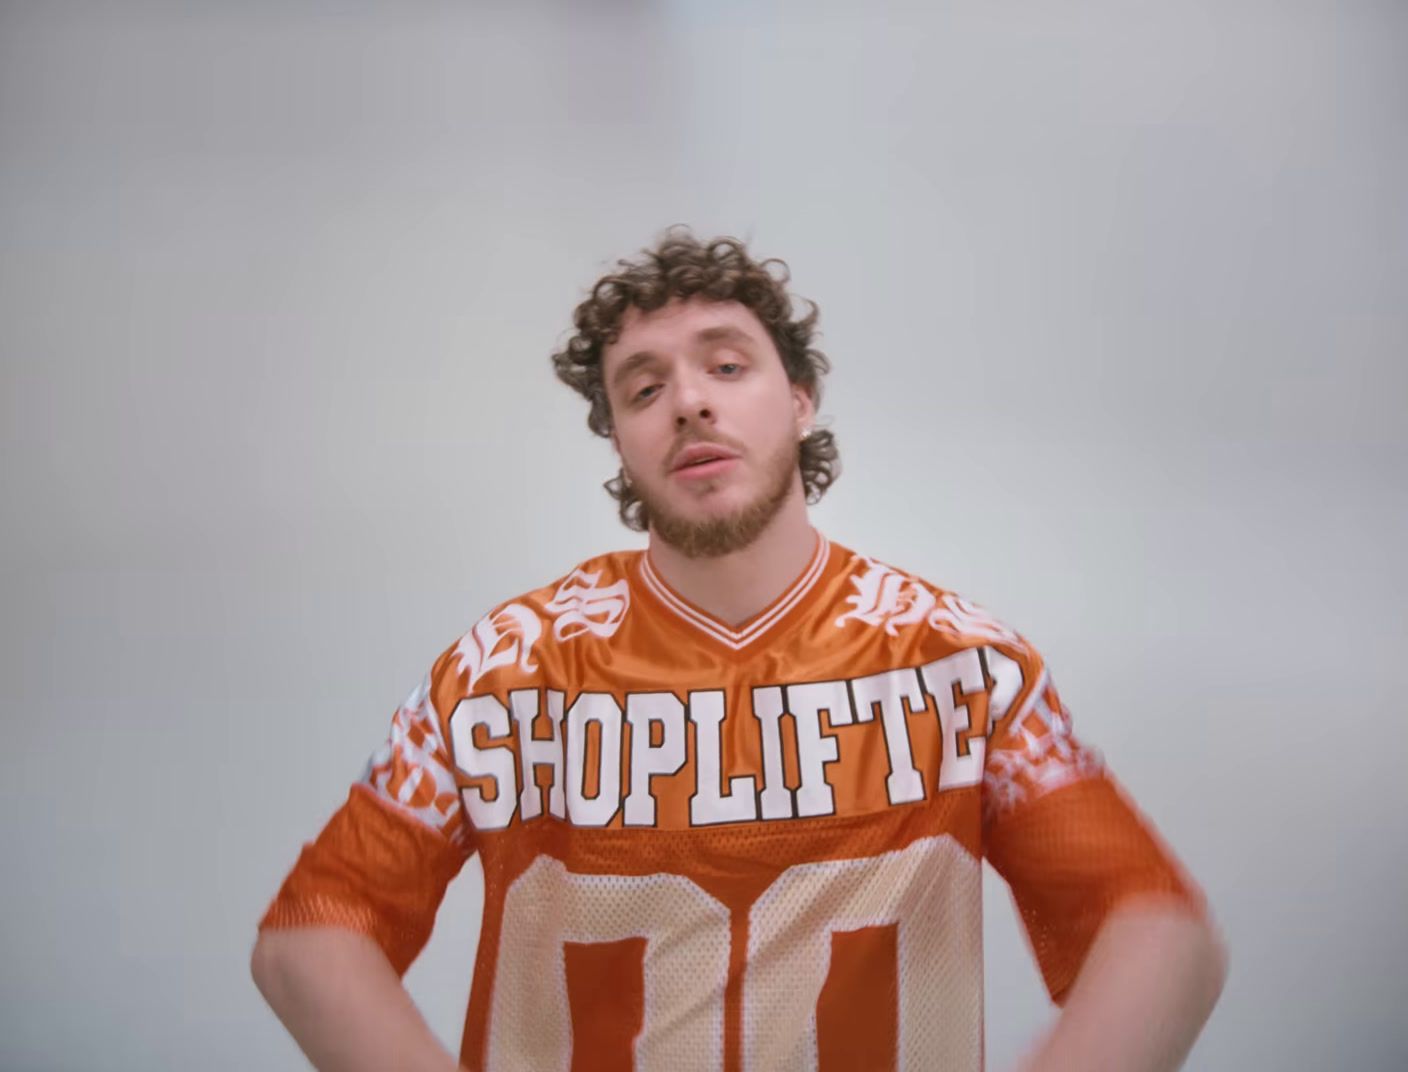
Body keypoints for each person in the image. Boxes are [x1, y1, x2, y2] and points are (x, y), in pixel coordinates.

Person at [251, 229, 1226, 1071]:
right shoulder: (506, 669)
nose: (686, 402)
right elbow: (310, 933)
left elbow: (1155, 926)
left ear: (798, 401)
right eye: (643, 388)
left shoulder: (959, 663)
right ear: (621, 443)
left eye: (726, 366)